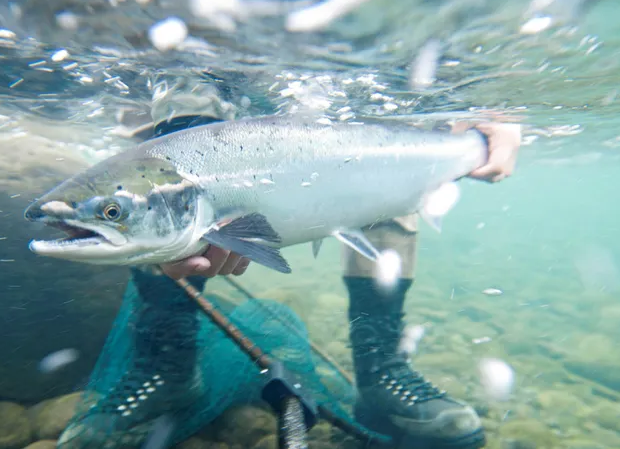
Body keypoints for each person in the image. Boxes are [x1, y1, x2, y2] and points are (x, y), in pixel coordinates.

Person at [98, 76, 521, 447]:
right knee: (154, 180)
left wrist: (492, 123)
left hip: (355, 60)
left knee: (378, 154)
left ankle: (381, 371)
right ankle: (167, 365)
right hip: (204, 73)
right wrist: (186, 149)